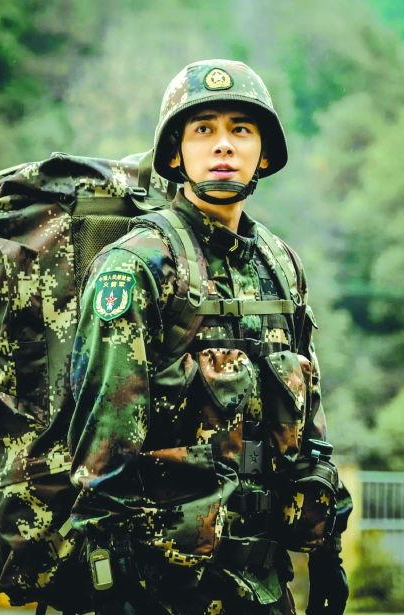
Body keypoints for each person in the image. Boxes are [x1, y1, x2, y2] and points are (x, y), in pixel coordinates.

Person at [69, 59, 351, 614]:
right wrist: (108, 580)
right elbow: (104, 449)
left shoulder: (279, 265)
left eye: (241, 129)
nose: (223, 144)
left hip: (263, 583)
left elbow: (308, 424)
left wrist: (327, 554)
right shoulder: (138, 265)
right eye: (203, 129)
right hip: (161, 586)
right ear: (175, 154)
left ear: (264, 154)